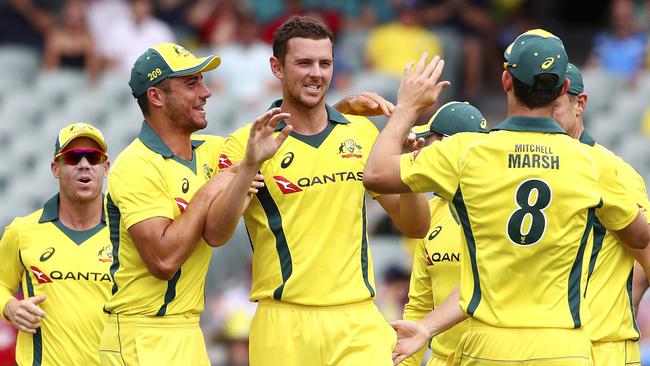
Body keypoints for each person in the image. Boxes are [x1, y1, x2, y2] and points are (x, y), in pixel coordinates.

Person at [363, 29, 650, 365]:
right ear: (563, 89)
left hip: (488, 344)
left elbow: (376, 173)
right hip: (563, 346)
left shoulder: (467, 151)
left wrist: (407, 109)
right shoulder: (597, 165)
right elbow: (640, 236)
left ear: (505, 81)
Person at [215, 16, 431, 366]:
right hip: (283, 323)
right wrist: (250, 167)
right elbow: (217, 234)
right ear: (276, 67)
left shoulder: (361, 133)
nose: (316, 73)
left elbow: (416, 226)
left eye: (325, 63)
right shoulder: (246, 143)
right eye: (303, 62)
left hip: (357, 319)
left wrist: (407, 169)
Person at [98, 42, 277, 366]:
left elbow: (278, 137)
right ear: (156, 96)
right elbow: (164, 261)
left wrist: (339, 111)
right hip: (140, 334)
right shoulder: (135, 165)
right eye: (191, 83)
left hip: (189, 332)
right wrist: (208, 192)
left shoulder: (213, 150)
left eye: (203, 81)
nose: (206, 92)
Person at [553, 63, 650, 366]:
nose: (544, 116)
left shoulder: (615, 171)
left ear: (579, 104)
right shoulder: (534, 170)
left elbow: (645, 252)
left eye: (553, 106)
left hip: (601, 348)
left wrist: (621, 313)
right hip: (545, 346)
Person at [0, 122, 111, 365]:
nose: (84, 165)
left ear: (105, 167)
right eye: (72, 157)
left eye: (93, 158)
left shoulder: (127, 232)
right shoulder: (22, 230)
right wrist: (9, 307)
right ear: (55, 168)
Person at [401, 101, 487, 366]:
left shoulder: (499, 208)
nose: (422, 152)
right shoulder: (429, 212)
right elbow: (419, 303)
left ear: (449, 147)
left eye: (430, 142)